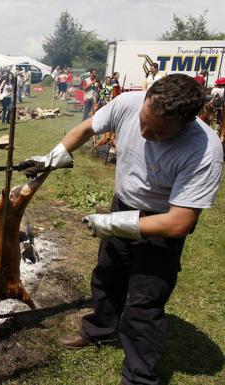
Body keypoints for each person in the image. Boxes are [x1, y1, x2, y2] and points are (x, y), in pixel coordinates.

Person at [17, 74, 223, 385]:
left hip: (160, 222)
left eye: (157, 131)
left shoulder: (204, 150)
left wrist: (112, 224)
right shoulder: (128, 103)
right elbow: (87, 128)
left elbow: (180, 222)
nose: (144, 132)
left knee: (144, 302)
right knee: (107, 274)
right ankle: (100, 329)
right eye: (143, 121)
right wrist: (52, 159)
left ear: (185, 123)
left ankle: (139, 376)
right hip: (123, 202)